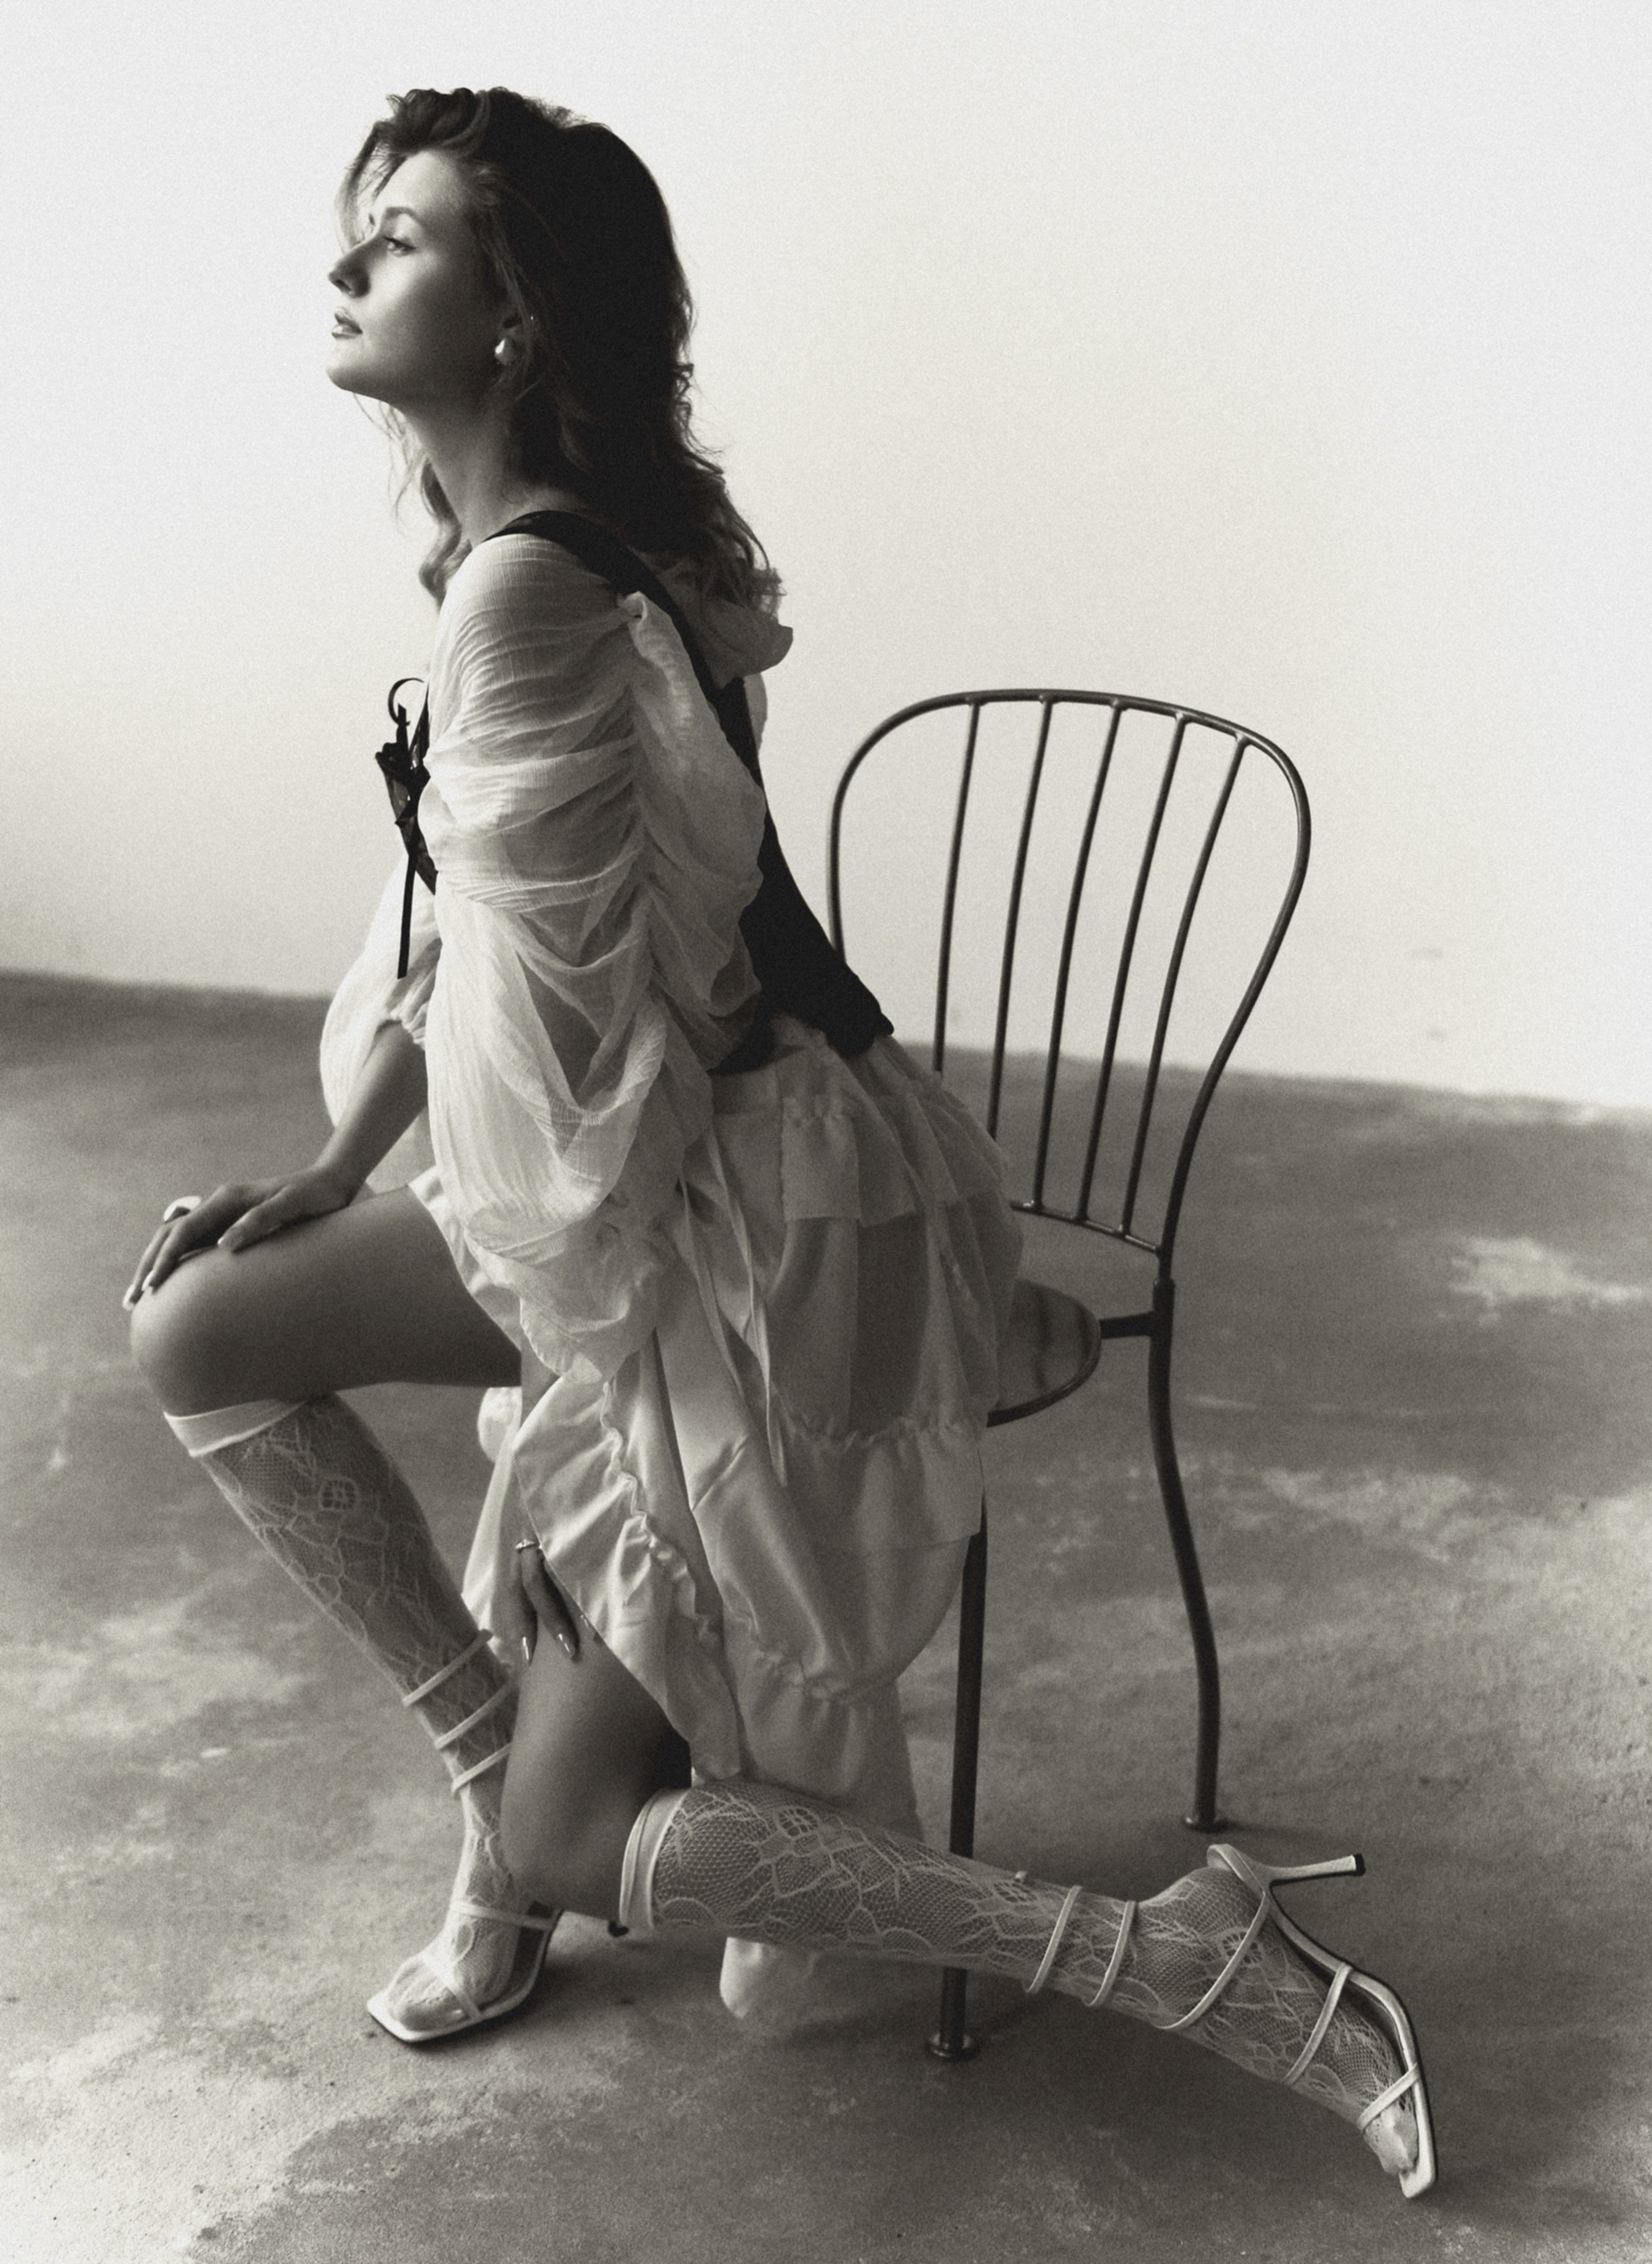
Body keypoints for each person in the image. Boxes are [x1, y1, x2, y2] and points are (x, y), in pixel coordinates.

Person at [126, 86, 1433, 2199]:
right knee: (204, 1321)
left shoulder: (525, 592)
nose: (348, 265)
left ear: (518, 315)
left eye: (407, 235)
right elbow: (484, 946)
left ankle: (1182, 1956)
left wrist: (576, 1366)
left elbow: (569, 1077)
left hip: (736, 1217)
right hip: (733, 1160)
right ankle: (499, 1795)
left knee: (574, 1813)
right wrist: (343, 1170)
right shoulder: (541, 550)